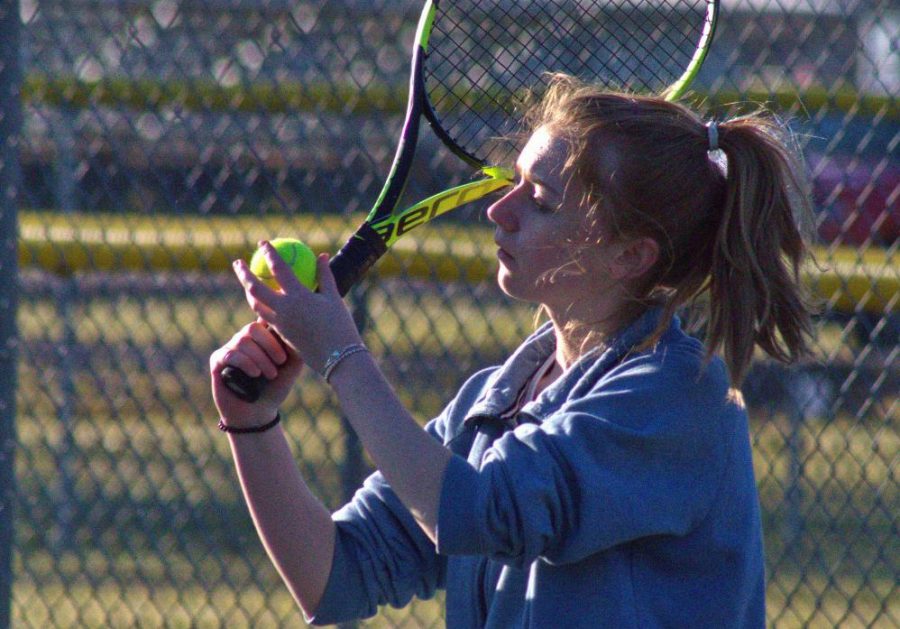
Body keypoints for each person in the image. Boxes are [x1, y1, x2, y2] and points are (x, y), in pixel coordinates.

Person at [209, 74, 815, 628]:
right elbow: (337, 579)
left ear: (630, 255)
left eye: (543, 201)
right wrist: (252, 422)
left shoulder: (673, 397)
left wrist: (339, 353)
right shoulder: (493, 399)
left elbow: (476, 512)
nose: (500, 210)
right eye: (514, 183)